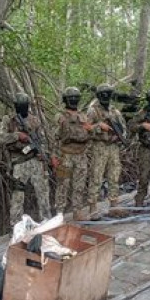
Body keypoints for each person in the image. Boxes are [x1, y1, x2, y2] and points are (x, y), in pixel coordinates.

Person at [0, 92, 54, 224]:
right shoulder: (9, 120)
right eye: (19, 105)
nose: (22, 108)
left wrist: (43, 153)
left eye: (24, 105)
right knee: (18, 195)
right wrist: (17, 135)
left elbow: (42, 140)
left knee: (43, 192)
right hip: (19, 162)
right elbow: (1, 138)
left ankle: (47, 221)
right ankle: (15, 225)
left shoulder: (34, 120)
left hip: (35, 160)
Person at [52, 86, 93, 220]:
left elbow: (89, 134)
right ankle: (59, 213)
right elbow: (55, 137)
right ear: (65, 100)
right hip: (65, 155)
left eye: (76, 98)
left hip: (81, 155)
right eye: (71, 98)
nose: (73, 100)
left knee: (79, 185)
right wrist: (53, 156)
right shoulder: (60, 116)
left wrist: (90, 129)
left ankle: (77, 210)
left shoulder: (84, 116)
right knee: (62, 184)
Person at [86, 83, 127, 213]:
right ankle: (93, 207)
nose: (106, 97)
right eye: (103, 94)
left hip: (113, 147)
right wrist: (99, 126)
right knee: (96, 177)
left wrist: (119, 137)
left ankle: (114, 204)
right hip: (100, 147)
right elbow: (86, 129)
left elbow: (123, 128)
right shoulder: (92, 110)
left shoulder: (115, 111)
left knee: (114, 176)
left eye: (108, 94)